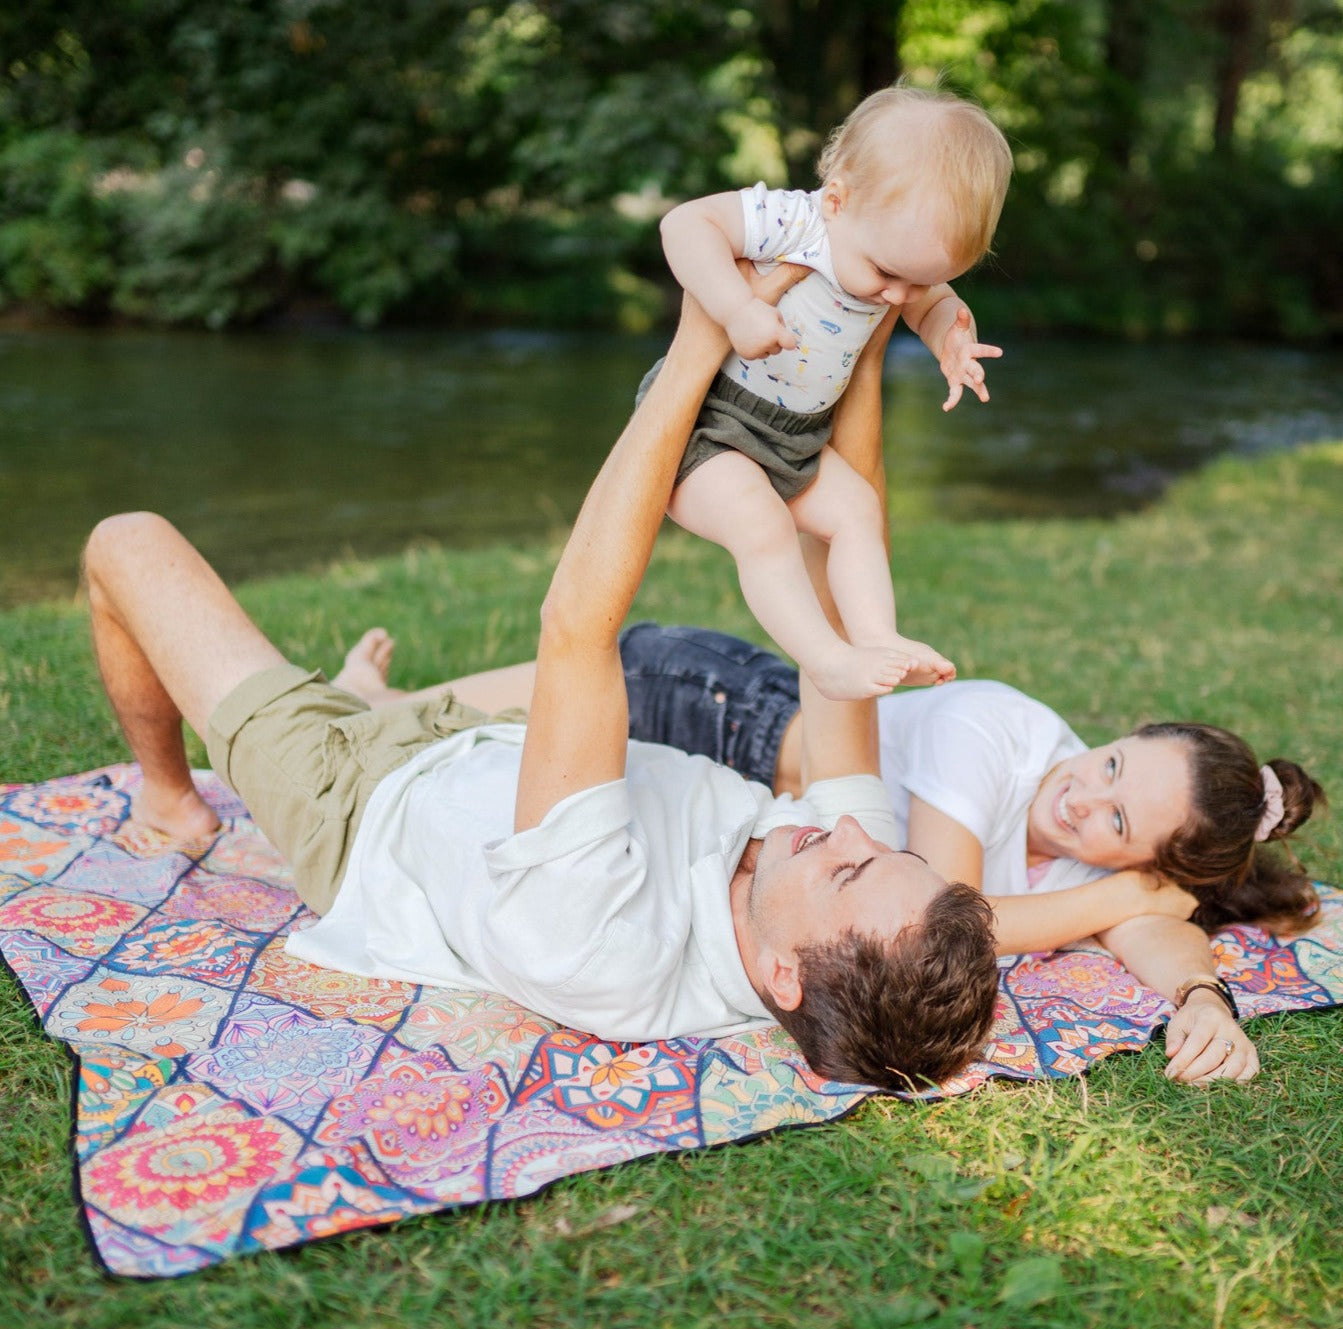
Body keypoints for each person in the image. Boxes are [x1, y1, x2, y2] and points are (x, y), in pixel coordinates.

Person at [80, 264, 1004, 1090]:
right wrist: (868, 323)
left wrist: (695, 349)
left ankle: (172, 800)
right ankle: (371, 692)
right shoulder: (852, 883)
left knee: (124, 545)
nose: (846, 826)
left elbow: (575, 626)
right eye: (879, 849)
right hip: (490, 753)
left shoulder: (603, 948)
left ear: (785, 977)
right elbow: (835, 585)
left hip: (355, 794)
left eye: (849, 868)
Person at [332, 625, 1324, 1088]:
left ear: (1147, 852)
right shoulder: (1000, 730)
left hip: (754, 796)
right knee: (460, 721)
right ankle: (367, 701)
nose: (1081, 792)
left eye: (1114, 817)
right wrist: (1122, 887)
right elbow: (961, 899)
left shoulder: (1093, 875)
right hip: (722, 709)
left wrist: (1197, 994)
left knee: (464, 743)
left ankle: (374, 707)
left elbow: (1149, 926)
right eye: (1110, 761)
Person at [654, 81, 1012, 700]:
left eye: (922, 279)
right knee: (762, 525)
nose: (899, 296)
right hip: (710, 431)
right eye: (888, 274)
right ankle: (824, 659)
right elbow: (685, 224)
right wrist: (737, 307)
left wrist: (950, 340)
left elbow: (933, 305)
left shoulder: (896, 257)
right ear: (839, 200)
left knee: (858, 512)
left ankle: (875, 638)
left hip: (794, 440)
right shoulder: (796, 221)